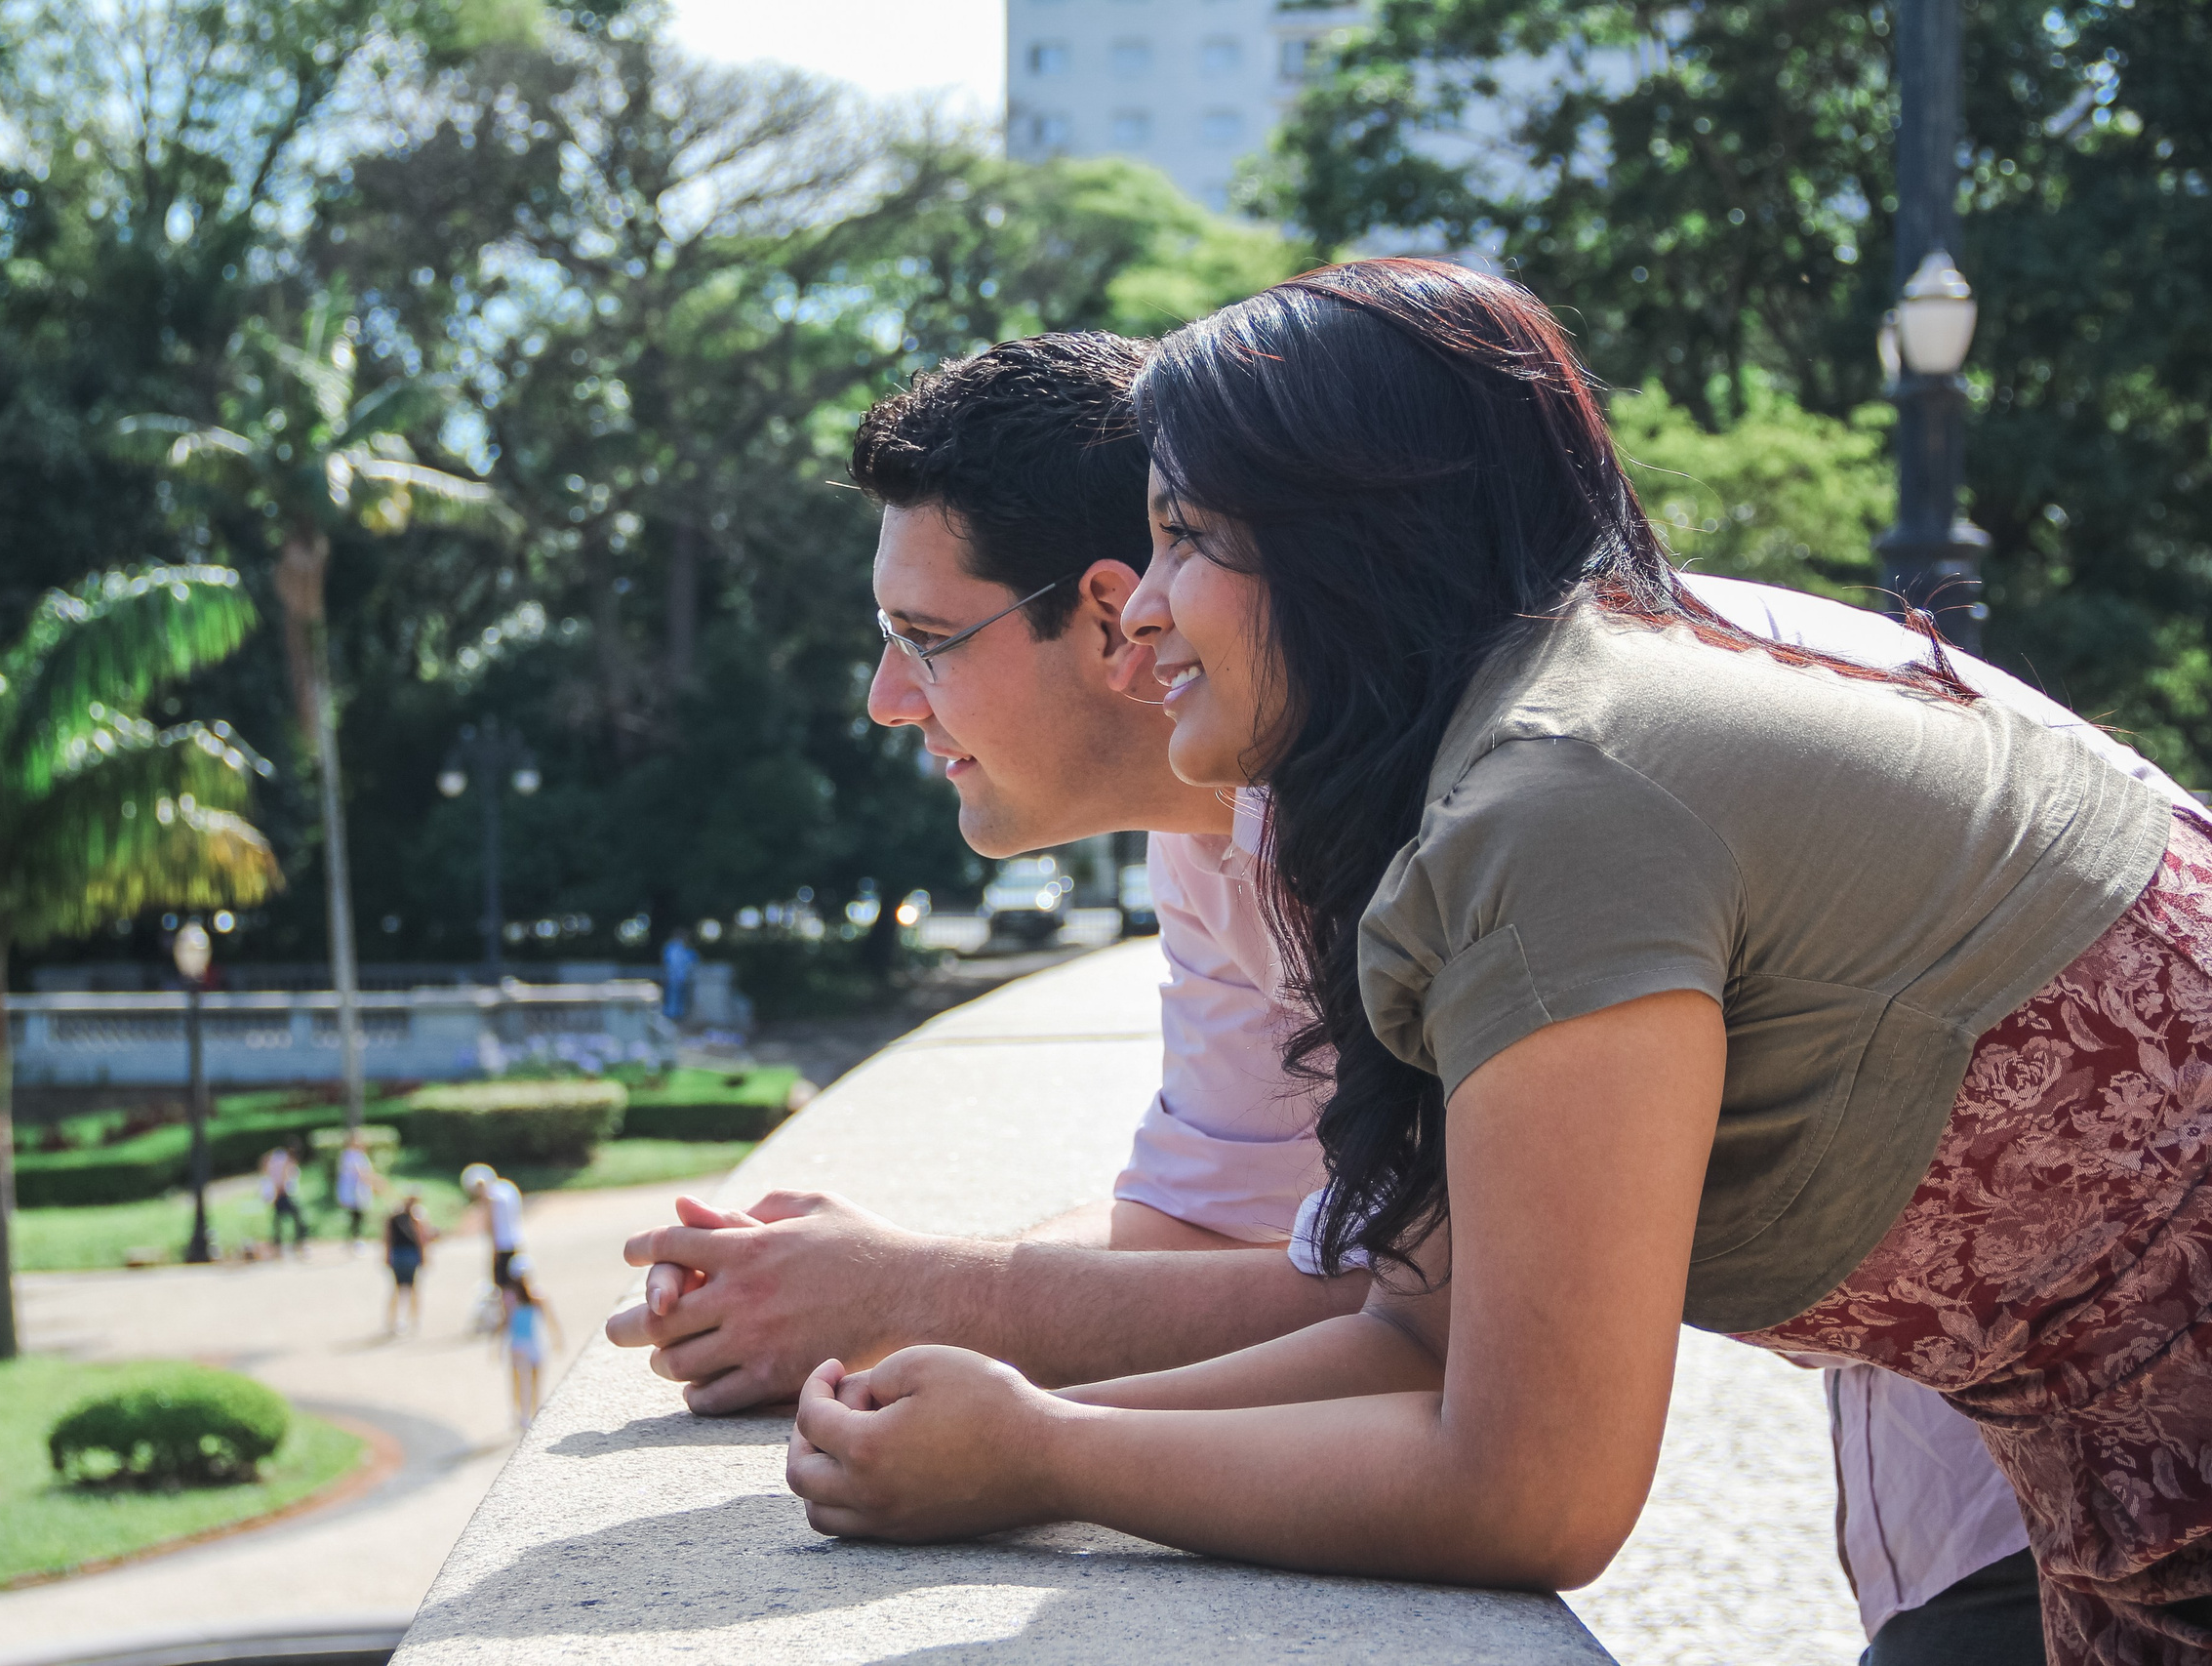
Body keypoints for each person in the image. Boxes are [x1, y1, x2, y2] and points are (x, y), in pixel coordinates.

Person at [609, 334, 2184, 1660]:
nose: (1146, 608)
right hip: (2068, 1410)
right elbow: (1402, 1306)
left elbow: (1530, 1474)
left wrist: (1023, 1420)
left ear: (1353, 555)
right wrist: (999, 1412)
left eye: (1187, 541)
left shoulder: (1546, 800)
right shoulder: (1398, 787)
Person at [501, 1252, 566, 1429]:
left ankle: (521, 1415)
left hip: (518, 1345)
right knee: (535, 1383)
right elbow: (551, 1320)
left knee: (519, 1383)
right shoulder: (537, 1295)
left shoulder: (509, 1297)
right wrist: (557, 1339)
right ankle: (533, 1414)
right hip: (535, 1344)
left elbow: (505, 1323)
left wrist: (498, 1346)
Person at [462, 1162, 525, 1288]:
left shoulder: (490, 1198)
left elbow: (491, 1225)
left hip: (501, 1243)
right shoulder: (506, 1189)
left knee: (502, 1282)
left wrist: (493, 1249)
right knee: (516, 1279)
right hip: (515, 1238)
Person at [384, 1191, 435, 1335]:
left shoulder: (393, 1216)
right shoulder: (417, 1217)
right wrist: (425, 1256)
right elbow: (422, 1239)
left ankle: (393, 1321)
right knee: (413, 1288)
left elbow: (387, 1237)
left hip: (398, 1253)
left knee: (397, 1288)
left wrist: (387, 1255)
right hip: (410, 1254)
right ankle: (414, 1319)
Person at [335, 1131, 381, 1252]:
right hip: (353, 1191)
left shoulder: (359, 1155)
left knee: (357, 1217)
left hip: (359, 1190)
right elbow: (359, 1173)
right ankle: (354, 1240)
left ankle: (352, 1240)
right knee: (356, 1216)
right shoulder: (348, 1155)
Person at [261, 1143, 307, 1256]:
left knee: (279, 1221)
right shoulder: (284, 1160)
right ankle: (297, 1243)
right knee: (297, 1218)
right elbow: (282, 1178)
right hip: (284, 1194)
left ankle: (279, 1246)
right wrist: (277, 1191)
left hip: (282, 1194)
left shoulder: (279, 1158)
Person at [661, 928, 700, 1025]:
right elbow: (672, 963)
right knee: (673, 998)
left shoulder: (681, 948)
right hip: (674, 978)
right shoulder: (673, 948)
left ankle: (677, 1018)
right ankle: (672, 1019)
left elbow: (692, 960)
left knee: (679, 999)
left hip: (681, 978)